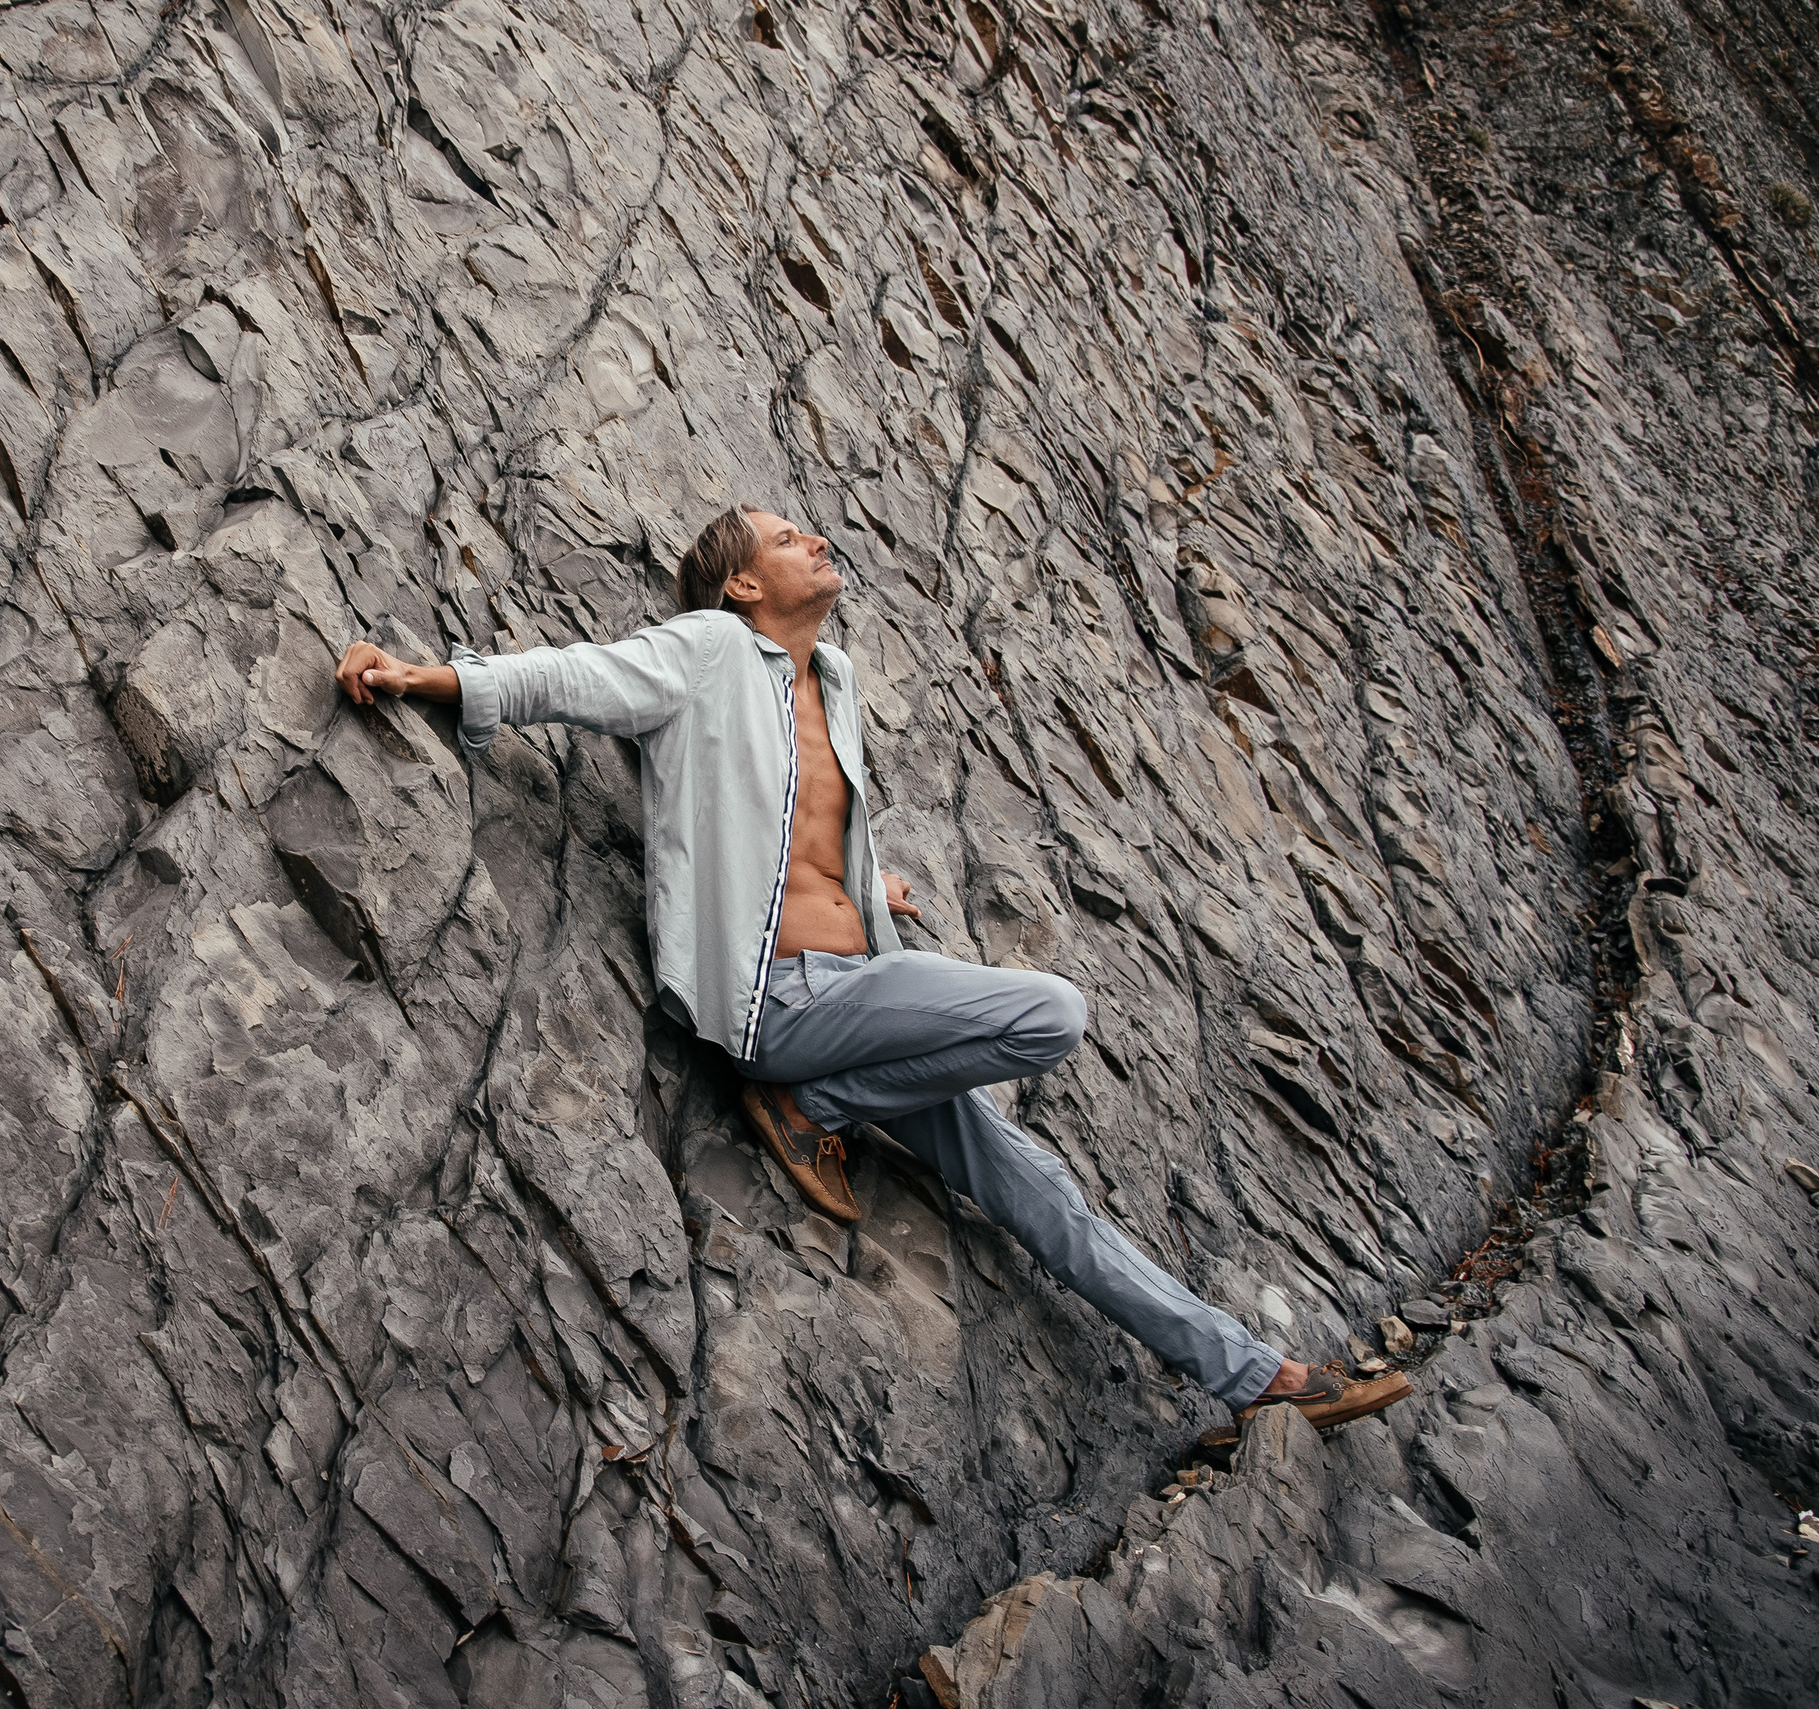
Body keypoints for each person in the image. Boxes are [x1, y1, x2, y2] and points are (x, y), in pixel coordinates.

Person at [332, 505, 1407, 1431]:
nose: (816, 538)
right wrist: (427, 677)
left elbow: (809, 818)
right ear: (746, 580)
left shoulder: (830, 677)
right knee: (1051, 1014)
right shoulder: (705, 649)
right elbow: (577, 677)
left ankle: (1257, 1379)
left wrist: (870, 881)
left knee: (1044, 1194)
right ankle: (814, 1100)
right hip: (782, 1003)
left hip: (864, 992)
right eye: (790, 536)